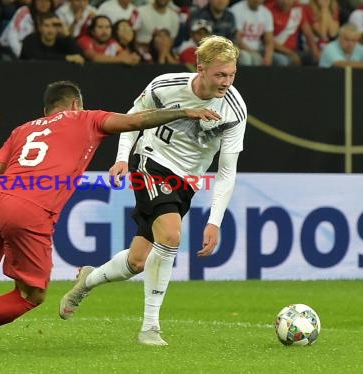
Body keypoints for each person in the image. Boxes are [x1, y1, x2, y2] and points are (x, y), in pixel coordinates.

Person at [0, 80, 221, 348]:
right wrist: (183, 111)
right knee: (31, 295)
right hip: (29, 210)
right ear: (74, 103)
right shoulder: (87, 118)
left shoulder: (23, 130)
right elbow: (136, 121)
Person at [59, 35, 247, 347]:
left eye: (232, 75)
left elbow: (227, 170)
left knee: (137, 261)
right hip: (152, 162)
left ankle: (86, 281)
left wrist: (215, 220)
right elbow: (133, 120)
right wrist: (121, 159)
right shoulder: (165, 85)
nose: (226, 82)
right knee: (172, 236)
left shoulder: (234, 110)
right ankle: (150, 328)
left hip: (185, 183)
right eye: (220, 75)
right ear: (200, 68)